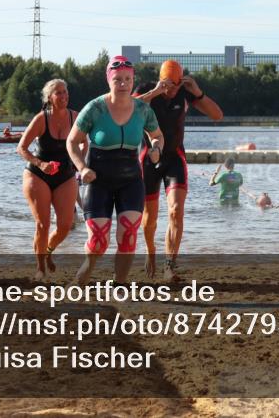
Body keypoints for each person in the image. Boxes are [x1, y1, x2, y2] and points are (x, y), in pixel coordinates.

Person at [67, 57, 164, 285]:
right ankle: (81, 279)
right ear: (109, 80)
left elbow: (157, 135)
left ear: (133, 81)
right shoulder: (95, 108)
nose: (123, 84)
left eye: (128, 79)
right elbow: (72, 141)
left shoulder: (142, 109)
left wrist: (156, 148)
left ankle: (119, 284)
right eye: (118, 79)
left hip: (130, 180)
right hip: (97, 179)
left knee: (128, 235)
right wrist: (82, 168)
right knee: (98, 241)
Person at [134, 59, 224, 281]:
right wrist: (156, 92)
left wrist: (199, 93)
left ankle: (169, 265)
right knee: (149, 218)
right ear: (160, 80)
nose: (172, 91)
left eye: (176, 85)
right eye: (168, 85)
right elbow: (127, 109)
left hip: (174, 157)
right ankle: (149, 250)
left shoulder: (184, 92)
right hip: (149, 158)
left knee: (175, 210)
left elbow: (217, 115)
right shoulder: (146, 90)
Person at [16, 79, 79, 281]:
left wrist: (80, 162)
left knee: (65, 225)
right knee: (42, 224)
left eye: (65, 92)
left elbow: (84, 142)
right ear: (50, 98)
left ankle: (49, 250)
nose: (63, 96)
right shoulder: (41, 119)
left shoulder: (75, 117)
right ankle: (40, 268)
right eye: (58, 93)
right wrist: (40, 164)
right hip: (38, 174)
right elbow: (21, 148)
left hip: (65, 175)